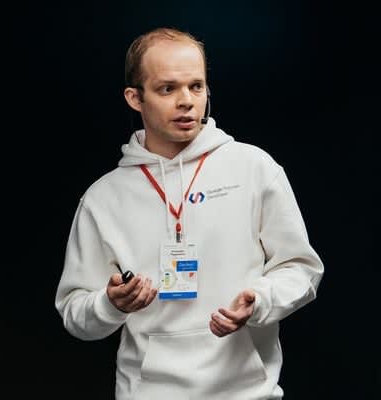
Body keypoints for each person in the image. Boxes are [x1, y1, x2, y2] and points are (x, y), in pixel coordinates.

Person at [55, 27, 324, 400]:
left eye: (196, 87)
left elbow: (301, 268)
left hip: (248, 393)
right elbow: (75, 314)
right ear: (135, 98)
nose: (186, 101)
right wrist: (109, 303)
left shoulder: (254, 168)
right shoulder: (103, 199)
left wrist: (261, 300)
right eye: (167, 89)